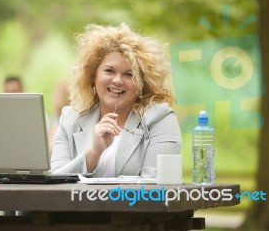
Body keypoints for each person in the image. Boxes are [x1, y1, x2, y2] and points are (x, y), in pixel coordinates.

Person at [50, 24, 181, 177]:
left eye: (129, 74)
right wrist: (94, 152)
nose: (118, 80)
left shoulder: (160, 118)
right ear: (92, 75)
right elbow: (56, 181)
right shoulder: (70, 118)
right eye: (109, 71)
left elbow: (156, 186)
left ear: (141, 83)